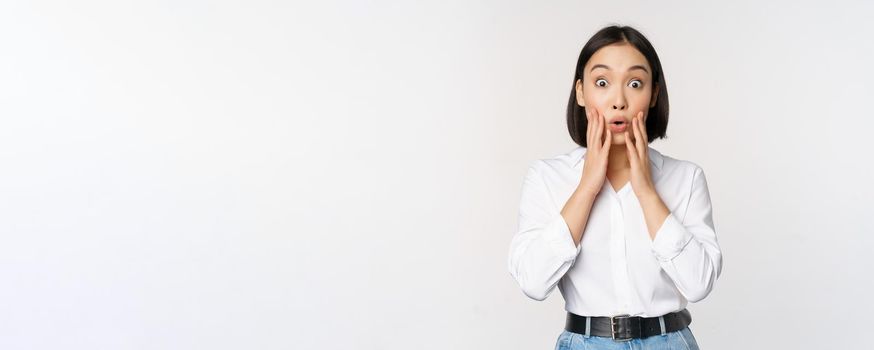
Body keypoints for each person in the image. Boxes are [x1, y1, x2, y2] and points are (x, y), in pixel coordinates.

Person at [507, 25, 723, 350]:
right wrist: (587, 188)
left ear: (653, 95)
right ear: (581, 92)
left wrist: (646, 192)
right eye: (602, 83)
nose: (619, 101)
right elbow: (533, 283)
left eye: (635, 83)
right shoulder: (548, 177)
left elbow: (699, 285)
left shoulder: (685, 178)